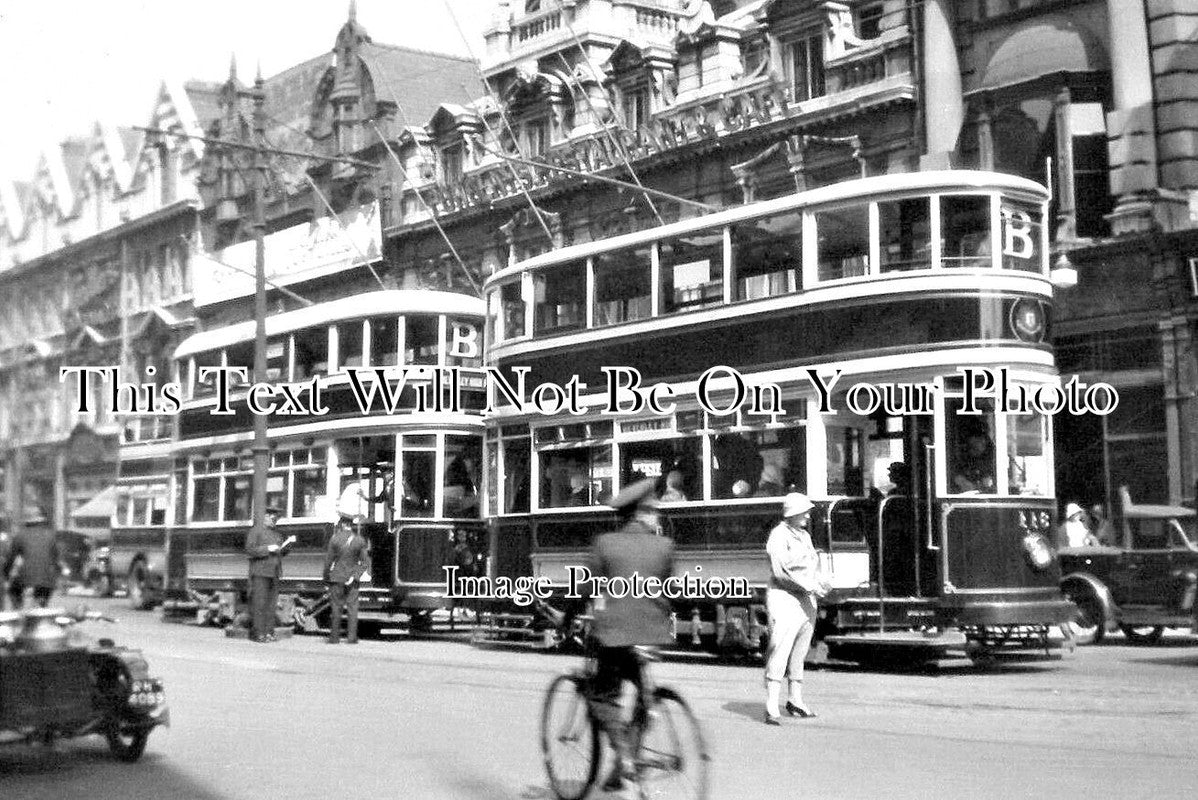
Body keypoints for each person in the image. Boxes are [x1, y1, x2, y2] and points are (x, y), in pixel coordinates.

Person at [587, 478, 675, 796]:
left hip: (615, 634)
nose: (658, 518)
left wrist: (567, 618)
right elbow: (670, 588)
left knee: (602, 697)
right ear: (640, 513)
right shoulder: (664, 546)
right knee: (643, 695)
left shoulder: (605, 544)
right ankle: (623, 762)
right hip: (651, 635)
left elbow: (584, 589)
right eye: (654, 512)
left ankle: (624, 755)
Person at [764, 492, 830, 725]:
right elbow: (781, 572)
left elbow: (812, 565)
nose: (808, 514)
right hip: (785, 599)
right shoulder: (778, 536)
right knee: (780, 649)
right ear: (792, 513)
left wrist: (821, 582)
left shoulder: (804, 536)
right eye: (804, 511)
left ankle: (795, 700)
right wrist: (810, 585)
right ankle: (772, 704)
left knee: (800, 651)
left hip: (806, 600)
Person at [322, 515, 372, 645]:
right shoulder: (359, 540)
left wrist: (326, 577)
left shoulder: (335, 539)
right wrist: (355, 576)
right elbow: (366, 562)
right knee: (352, 609)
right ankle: (352, 638)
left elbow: (328, 561)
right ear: (351, 525)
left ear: (342, 525)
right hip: (352, 580)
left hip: (337, 578)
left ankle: (334, 638)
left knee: (336, 608)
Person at [245, 506, 291, 643]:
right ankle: (259, 633)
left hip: (274, 573)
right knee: (260, 604)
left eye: (275, 519)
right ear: (265, 517)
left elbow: (280, 552)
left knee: (271, 605)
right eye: (272, 518)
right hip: (260, 572)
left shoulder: (277, 535)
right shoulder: (256, 531)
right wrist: (267, 549)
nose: (274, 521)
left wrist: (286, 547)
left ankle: (269, 632)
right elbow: (250, 550)